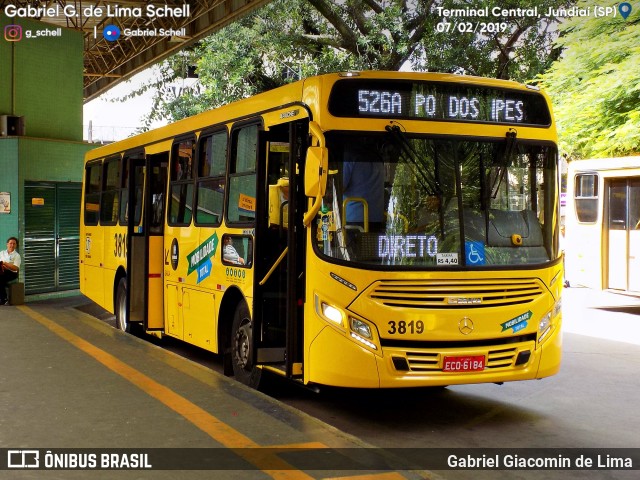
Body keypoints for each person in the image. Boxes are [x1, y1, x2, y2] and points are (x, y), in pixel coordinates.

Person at [0, 237, 21, 305]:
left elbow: (15, 268)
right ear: (7, 244)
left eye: (14, 244)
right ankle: (4, 299)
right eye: (10, 243)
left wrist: (5, 263)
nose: (12, 245)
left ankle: (4, 299)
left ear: (16, 245)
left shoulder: (17, 256)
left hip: (12, 273)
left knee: (0, 278)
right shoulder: (2, 253)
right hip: (1, 271)